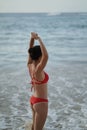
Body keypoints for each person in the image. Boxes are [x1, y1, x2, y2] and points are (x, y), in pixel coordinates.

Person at [27, 32, 49, 130]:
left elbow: (30, 50)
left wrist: (32, 39)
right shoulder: (38, 70)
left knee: (33, 128)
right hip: (41, 102)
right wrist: (39, 39)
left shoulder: (30, 65)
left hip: (33, 100)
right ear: (39, 57)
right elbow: (46, 56)